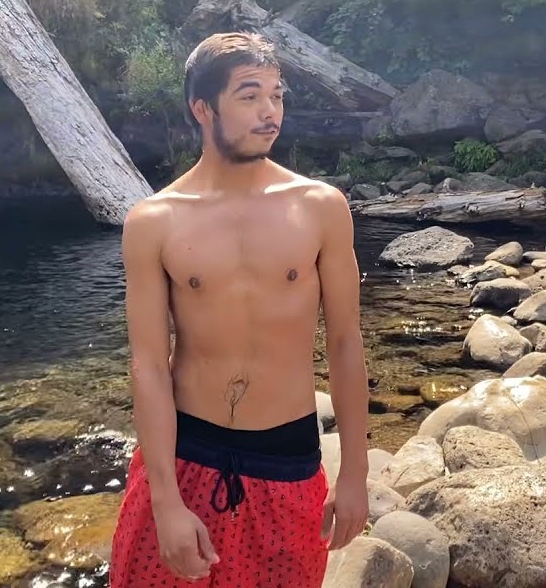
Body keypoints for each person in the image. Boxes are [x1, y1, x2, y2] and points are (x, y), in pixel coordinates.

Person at [108, 32, 370, 587]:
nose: (269, 112)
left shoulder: (320, 207)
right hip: (187, 454)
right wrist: (165, 501)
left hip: (288, 459)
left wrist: (355, 475)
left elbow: (346, 343)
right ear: (202, 108)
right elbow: (149, 367)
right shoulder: (154, 222)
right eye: (249, 96)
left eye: (276, 95)